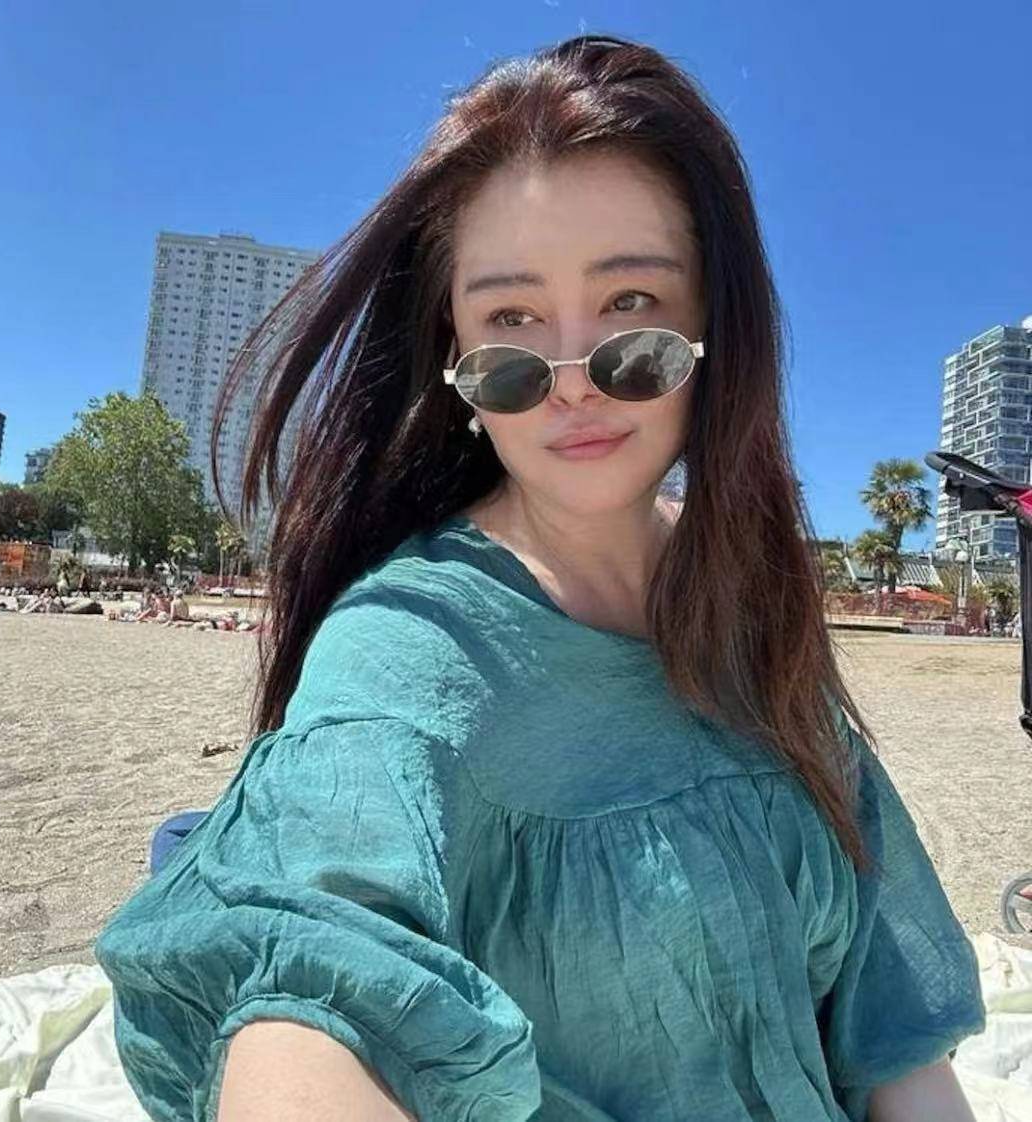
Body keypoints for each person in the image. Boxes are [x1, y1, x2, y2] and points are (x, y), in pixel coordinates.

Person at [94, 35, 985, 1122]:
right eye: (511, 325)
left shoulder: (756, 604)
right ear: (457, 365)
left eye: (631, 308)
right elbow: (314, 978)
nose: (573, 383)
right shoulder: (406, 646)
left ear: (715, 326)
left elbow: (892, 1034)